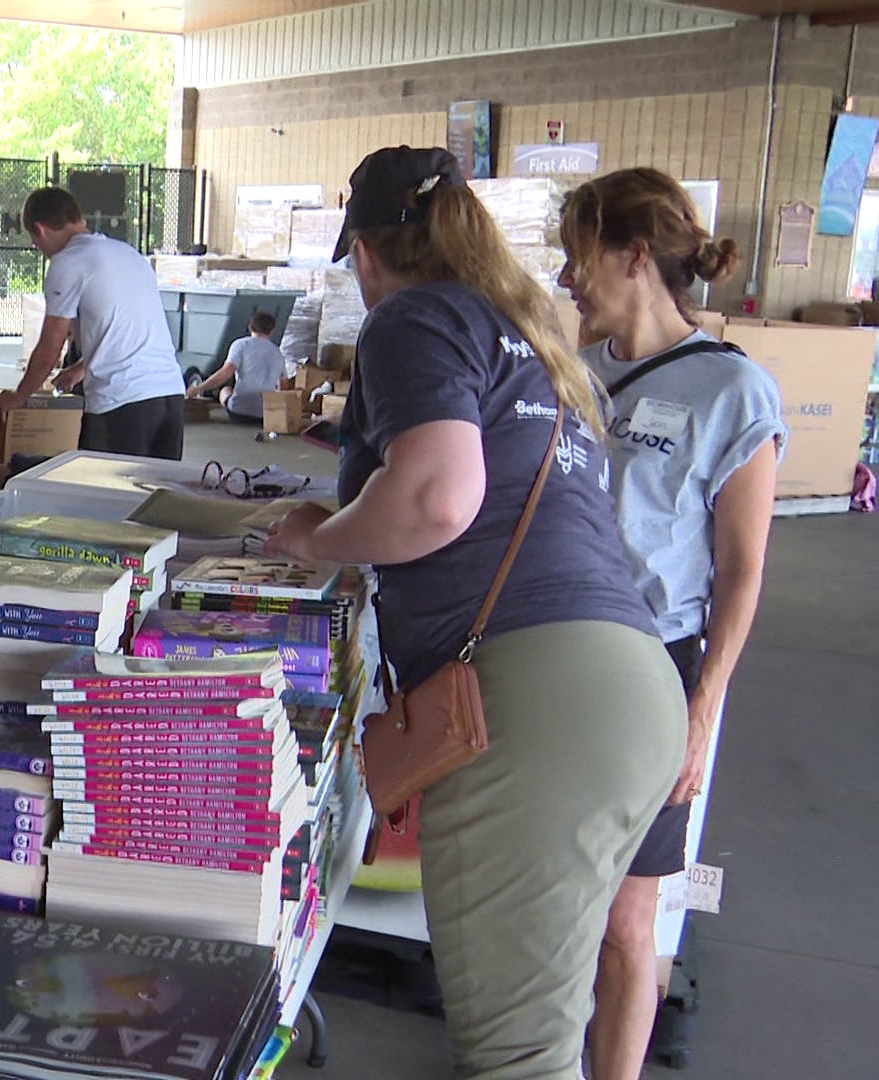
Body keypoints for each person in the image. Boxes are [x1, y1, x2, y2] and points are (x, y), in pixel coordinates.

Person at [265, 147, 686, 1080]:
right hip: (630, 685)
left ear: (367, 256)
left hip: (535, 713)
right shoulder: (525, 334)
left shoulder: (413, 317)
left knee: (516, 1061)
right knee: (547, 1028)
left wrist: (313, 540)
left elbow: (437, 501)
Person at [558, 168, 784, 1080]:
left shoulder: (735, 394)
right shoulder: (574, 369)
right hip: (556, 657)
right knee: (555, 900)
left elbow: (742, 577)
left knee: (627, 920)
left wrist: (702, 711)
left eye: (580, 258)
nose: (569, 280)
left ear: (634, 255)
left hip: (656, 670)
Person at [0, 187, 187, 459]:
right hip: (169, 397)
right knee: (153, 497)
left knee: (103, 495)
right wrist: (80, 369)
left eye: (34, 241)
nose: (39, 249)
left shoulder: (67, 263)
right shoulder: (128, 254)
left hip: (121, 403)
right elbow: (125, 330)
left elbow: (49, 348)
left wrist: (16, 399)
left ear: (40, 230)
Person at [187, 310, 292, 421]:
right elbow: (284, 387)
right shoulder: (278, 353)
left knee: (226, 390)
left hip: (239, 412)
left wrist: (199, 388)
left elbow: (225, 373)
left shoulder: (241, 345)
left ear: (250, 327)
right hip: (266, 415)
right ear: (272, 331)